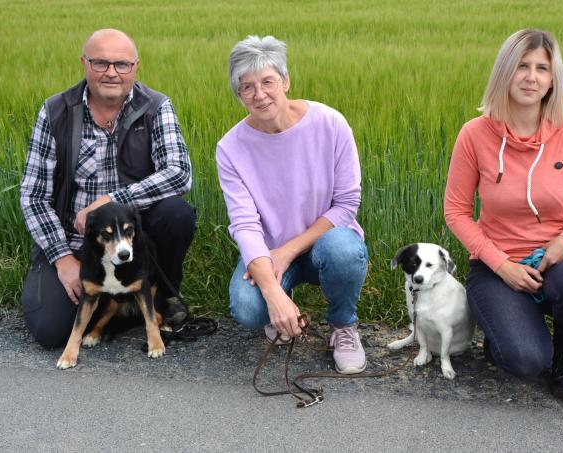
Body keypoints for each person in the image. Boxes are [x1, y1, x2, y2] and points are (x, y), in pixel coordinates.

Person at [444, 29, 563, 393]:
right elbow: (455, 211)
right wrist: (502, 266)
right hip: (495, 266)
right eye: (521, 66)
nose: (531, 77)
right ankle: (512, 330)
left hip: (560, 259)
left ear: (553, 79)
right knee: (525, 361)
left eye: (541, 69)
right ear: (505, 72)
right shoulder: (474, 134)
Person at [19, 29, 196, 348]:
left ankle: (160, 299)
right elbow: (33, 196)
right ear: (84, 63)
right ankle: (119, 307)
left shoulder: (156, 106)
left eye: (122, 64)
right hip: (76, 243)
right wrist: (63, 260)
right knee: (50, 331)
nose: (111, 73)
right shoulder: (56, 111)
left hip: (134, 241)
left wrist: (111, 201)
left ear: (136, 66)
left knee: (176, 212)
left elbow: (180, 174)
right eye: (100, 63)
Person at [216, 35, 368, 374]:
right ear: (238, 95)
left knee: (344, 250)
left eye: (267, 81)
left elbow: (346, 205)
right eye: (247, 87)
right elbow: (244, 225)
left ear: (285, 81)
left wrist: (286, 252)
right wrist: (272, 292)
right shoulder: (230, 148)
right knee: (247, 307)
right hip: (267, 252)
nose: (260, 94)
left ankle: (343, 325)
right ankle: (283, 313)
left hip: (323, 245)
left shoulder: (330, 123)